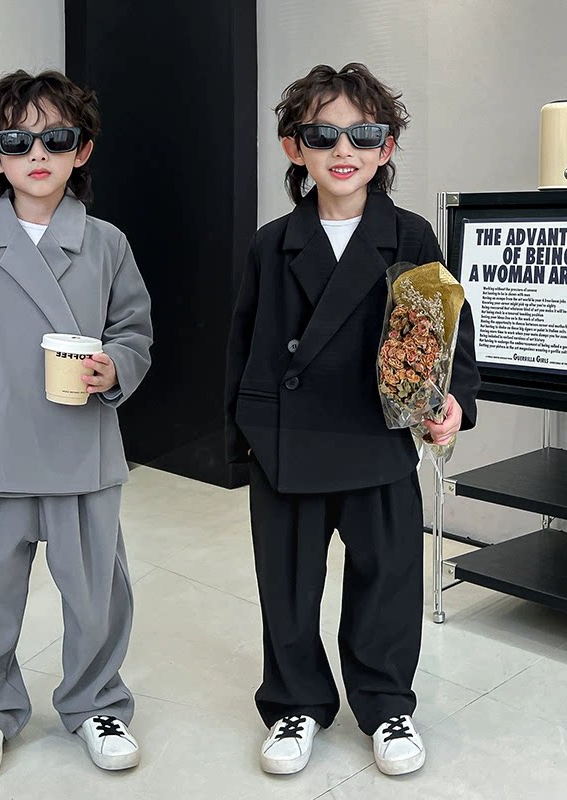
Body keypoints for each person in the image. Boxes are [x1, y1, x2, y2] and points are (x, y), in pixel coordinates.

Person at [225, 62, 480, 777]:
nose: (344, 149)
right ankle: (295, 702)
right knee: (288, 585)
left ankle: (386, 700)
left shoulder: (411, 235)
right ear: (294, 147)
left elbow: (447, 333)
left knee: (388, 577)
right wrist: (241, 439)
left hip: (378, 434)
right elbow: (243, 343)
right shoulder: (272, 242)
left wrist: (453, 400)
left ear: (386, 147)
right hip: (289, 440)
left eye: (363, 134)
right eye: (323, 134)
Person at [0, 69, 153, 779]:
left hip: (79, 441)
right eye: (18, 141)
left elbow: (134, 330)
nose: (38, 155)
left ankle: (96, 701)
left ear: (82, 150)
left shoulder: (107, 243)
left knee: (96, 591)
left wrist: (116, 367)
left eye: (56, 138)